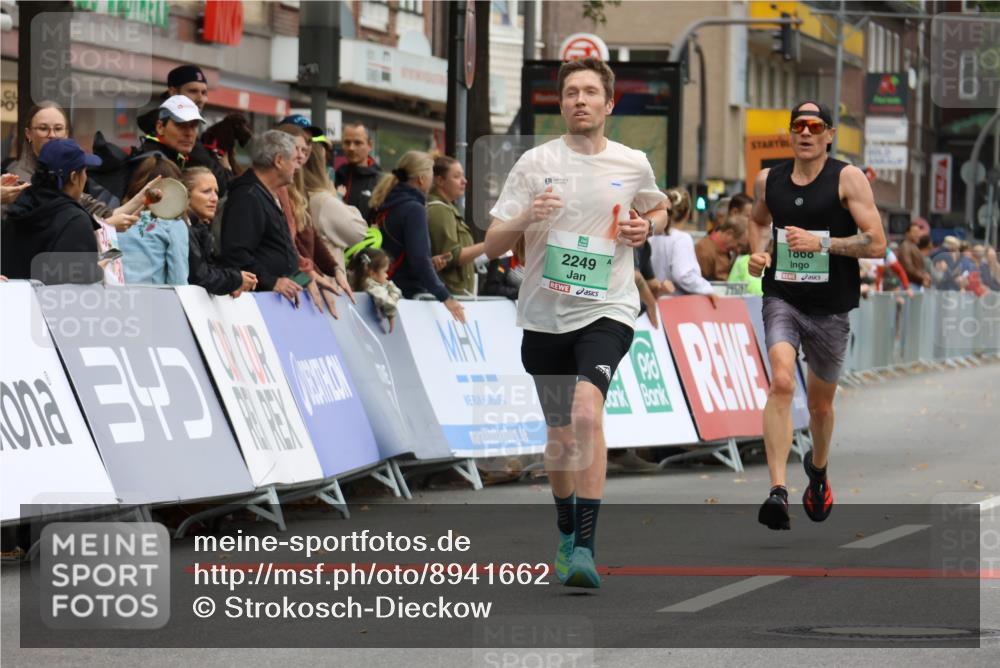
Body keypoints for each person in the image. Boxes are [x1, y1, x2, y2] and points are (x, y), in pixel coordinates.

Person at [483, 57, 668, 588]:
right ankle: (565, 527)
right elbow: (494, 243)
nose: (579, 100)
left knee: (588, 413)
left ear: (609, 104)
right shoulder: (534, 162)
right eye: (570, 93)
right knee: (562, 434)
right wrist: (527, 216)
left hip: (607, 308)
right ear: (560, 103)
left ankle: (585, 545)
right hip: (543, 313)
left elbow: (660, 210)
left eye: (590, 92)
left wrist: (644, 227)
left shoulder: (632, 163)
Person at [747, 101, 887, 531]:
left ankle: (819, 472)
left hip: (830, 307)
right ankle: (776, 490)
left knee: (822, 406)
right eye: (798, 126)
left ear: (829, 135)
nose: (805, 133)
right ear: (790, 134)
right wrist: (758, 252)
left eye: (815, 126)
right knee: (783, 381)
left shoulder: (847, 178)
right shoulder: (768, 179)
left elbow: (877, 243)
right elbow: (757, 221)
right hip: (783, 297)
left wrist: (823, 245)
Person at [369, 150, 466, 323]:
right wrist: (446, 297)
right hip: (406, 299)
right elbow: (419, 260)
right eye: (430, 175)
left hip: (382, 292)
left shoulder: (383, 203)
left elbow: (396, 250)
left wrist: (429, 261)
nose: (432, 181)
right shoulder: (414, 209)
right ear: (421, 179)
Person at [219, 130, 305, 306]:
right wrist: (272, 282)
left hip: (273, 302)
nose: (297, 167)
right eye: (295, 160)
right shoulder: (248, 196)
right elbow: (236, 253)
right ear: (279, 160)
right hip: (257, 304)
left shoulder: (265, 193)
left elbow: (283, 252)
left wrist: (306, 280)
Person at [1, 139, 104, 284]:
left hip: (11, 303)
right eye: (84, 171)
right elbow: (78, 283)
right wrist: (97, 271)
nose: (86, 177)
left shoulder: (18, 206)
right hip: (47, 304)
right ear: (74, 177)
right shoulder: (74, 220)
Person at [3, 101, 119, 217]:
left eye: (58, 129)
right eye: (43, 128)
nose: (52, 135)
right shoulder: (17, 180)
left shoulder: (66, 168)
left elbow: (104, 212)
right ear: (28, 134)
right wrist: (104, 226)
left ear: (66, 134)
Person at [137, 65, 233, 195]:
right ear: (160, 127)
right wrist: (224, 162)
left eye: (194, 125)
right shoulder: (157, 161)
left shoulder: (179, 150)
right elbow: (222, 185)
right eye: (193, 91)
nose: (200, 99)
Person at [182, 167, 256, 297]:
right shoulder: (183, 229)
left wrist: (232, 282)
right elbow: (201, 277)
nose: (215, 198)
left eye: (216, 192)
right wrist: (236, 279)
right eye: (206, 191)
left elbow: (208, 270)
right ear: (186, 195)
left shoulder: (198, 228)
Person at [116, 155, 189, 285]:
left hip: (112, 298)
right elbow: (178, 281)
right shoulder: (173, 225)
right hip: (151, 301)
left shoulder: (116, 221)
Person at [302, 142, 368, 270]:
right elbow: (359, 232)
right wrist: (334, 197)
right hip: (326, 283)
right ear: (319, 167)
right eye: (325, 162)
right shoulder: (323, 201)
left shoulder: (298, 195)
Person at [427, 155, 485, 296]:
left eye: (463, 176)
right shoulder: (439, 210)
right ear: (440, 180)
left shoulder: (447, 209)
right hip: (450, 294)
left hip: (455, 293)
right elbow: (451, 256)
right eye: (457, 176)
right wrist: (489, 245)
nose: (464, 181)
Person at [648, 210, 717, 302]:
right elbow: (683, 274)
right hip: (677, 304)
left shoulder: (651, 236)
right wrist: (707, 289)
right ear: (687, 215)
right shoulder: (681, 238)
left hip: (653, 302)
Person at [335, 122, 382, 222]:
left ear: (370, 145)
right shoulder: (336, 176)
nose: (351, 148)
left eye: (358, 143)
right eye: (347, 142)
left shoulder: (380, 181)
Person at [348, 247, 403, 332]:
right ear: (372, 273)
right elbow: (388, 301)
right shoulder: (373, 287)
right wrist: (391, 314)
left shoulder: (349, 277)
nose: (386, 276)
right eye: (385, 272)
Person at [694, 214, 747, 281]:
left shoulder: (725, 251)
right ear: (729, 233)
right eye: (738, 245)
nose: (738, 250)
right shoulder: (704, 251)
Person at [897, 222, 930, 288]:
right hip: (910, 284)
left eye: (918, 232)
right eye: (915, 232)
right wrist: (922, 277)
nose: (917, 235)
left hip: (915, 284)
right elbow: (908, 267)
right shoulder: (906, 246)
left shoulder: (913, 246)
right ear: (907, 233)